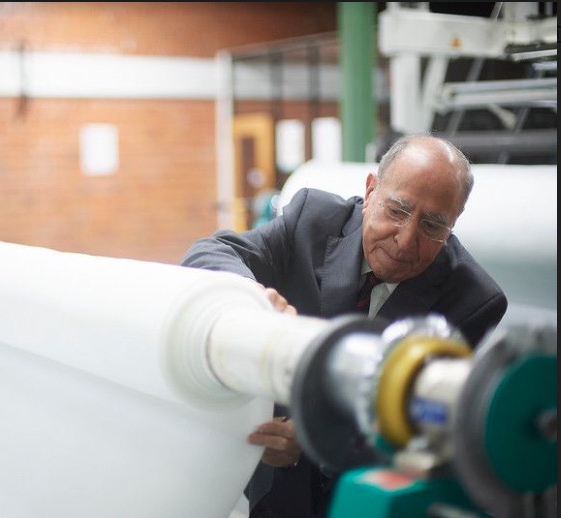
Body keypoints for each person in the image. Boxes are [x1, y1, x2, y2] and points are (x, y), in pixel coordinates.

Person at [180, 134, 507, 518]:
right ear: (370, 192)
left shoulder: (472, 300)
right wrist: (253, 298)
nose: (405, 240)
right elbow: (209, 252)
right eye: (397, 210)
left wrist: (318, 439)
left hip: (372, 498)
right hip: (275, 491)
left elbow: (429, 432)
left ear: (454, 224)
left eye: (433, 225)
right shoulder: (311, 221)